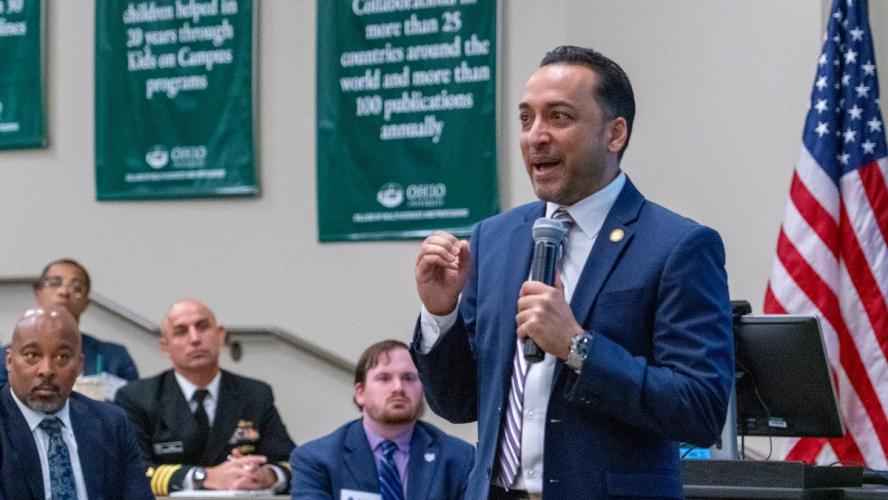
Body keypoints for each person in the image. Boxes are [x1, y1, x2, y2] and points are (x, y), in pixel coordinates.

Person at [411, 45, 734, 499]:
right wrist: (439, 315)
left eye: (558, 117)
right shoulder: (493, 238)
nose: (535, 136)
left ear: (614, 134)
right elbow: (457, 403)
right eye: (526, 120)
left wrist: (577, 346)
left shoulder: (677, 246)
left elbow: (699, 411)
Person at [114, 299, 295, 495]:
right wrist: (204, 477)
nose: (194, 338)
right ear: (165, 346)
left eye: (202, 327)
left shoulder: (255, 393)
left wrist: (268, 476)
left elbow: (292, 462)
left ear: (220, 336)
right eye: (181, 331)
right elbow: (132, 472)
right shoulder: (136, 397)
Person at [0, 306, 152, 499]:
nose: (46, 370)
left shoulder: (111, 424)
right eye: (32, 355)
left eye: (62, 357)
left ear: (80, 365)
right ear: (10, 361)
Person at [290, 340, 473, 500]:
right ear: (360, 393)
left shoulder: (459, 458)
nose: (398, 388)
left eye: (409, 378)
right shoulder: (315, 460)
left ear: (424, 391)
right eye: (384, 378)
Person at [0, 258, 139, 385]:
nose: (64, 291)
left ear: (86, 303)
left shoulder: (115, 357)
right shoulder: (4, 356)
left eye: (76, 288)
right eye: (55, 283)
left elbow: (132, 408)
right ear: (38, 294)